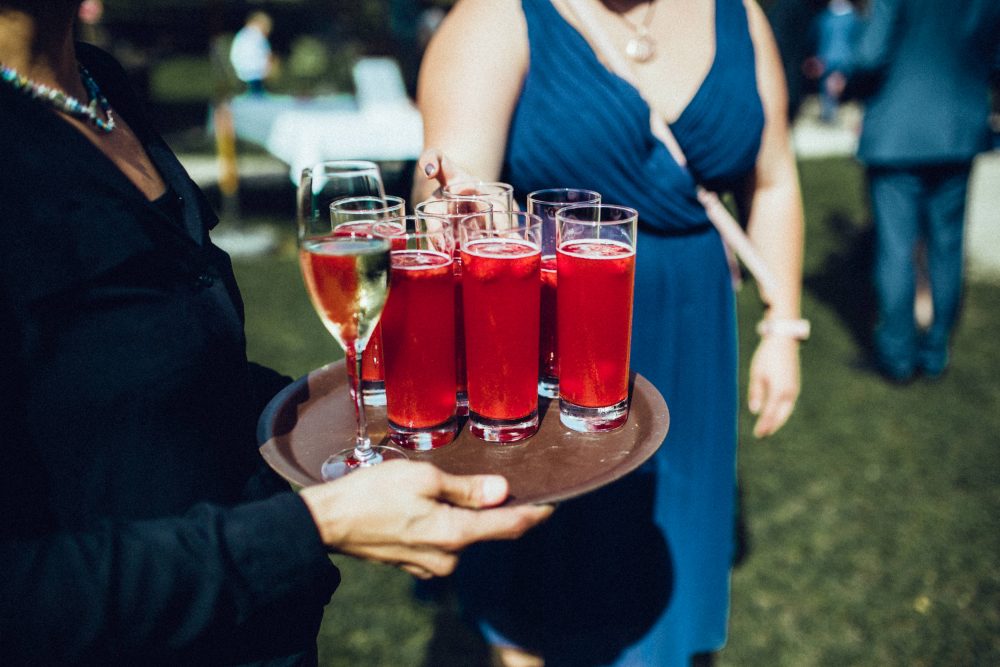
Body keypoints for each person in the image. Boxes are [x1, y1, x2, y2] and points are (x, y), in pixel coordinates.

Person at [0, 2, 552, 664]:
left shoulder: (99, 86)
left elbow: (172, 389)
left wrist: (400, 386)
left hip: (259, 634)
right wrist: (316, 525)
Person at [412, 0, 806, 664]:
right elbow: (452, 194)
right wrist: (460, 210)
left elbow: (775, 180)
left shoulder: (741, 14)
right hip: (551, 344)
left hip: (692, 335)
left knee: (668, 564)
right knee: (544, 581)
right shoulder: (497, 16)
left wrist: (784, 325)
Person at [848, 0, 1000, 383]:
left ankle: (898, 355)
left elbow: (870, 53)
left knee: (896, 247)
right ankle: (935, 351)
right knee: (947, 245)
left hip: (899, 132)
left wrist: (850, 82)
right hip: (959, 128)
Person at [811, 0, 860, 124]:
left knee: (831, 85)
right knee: (832, 84)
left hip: (833, 57)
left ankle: (831, 112)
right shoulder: (852, 17)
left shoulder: (827, 17)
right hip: (838, 57)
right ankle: (831, 111)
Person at [229, 10, 275, 96]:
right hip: (253, 79)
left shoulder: (243, 35)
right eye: (267, 25)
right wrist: (268, 68)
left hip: (247, 77)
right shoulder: (255, 35)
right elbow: (264, 60)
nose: (268, 29)